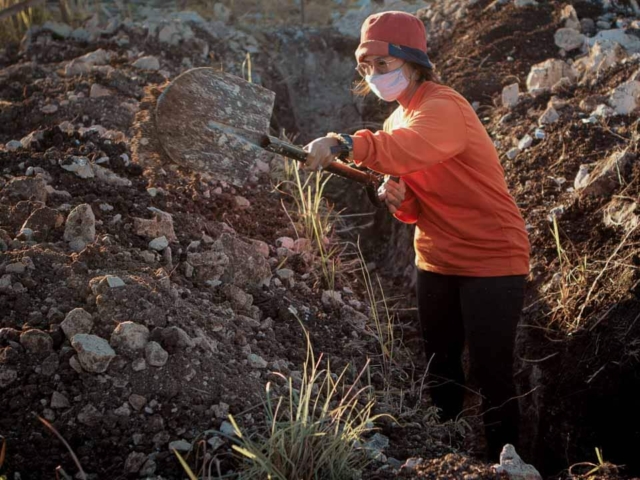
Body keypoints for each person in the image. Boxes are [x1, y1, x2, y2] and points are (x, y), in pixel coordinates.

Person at [303, 11, 530, 460]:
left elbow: (410, 149)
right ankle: (448, 456)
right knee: (440, 365)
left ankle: (509, 462)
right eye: (366, 69)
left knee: (491, 370)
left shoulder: (443, 107)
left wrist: (345, 143)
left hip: (492, 257)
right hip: (436, 259)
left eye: (382, 66)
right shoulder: (395, 123)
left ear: (411, 62)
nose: (373, 77)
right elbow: (415, 206)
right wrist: (399, 197)